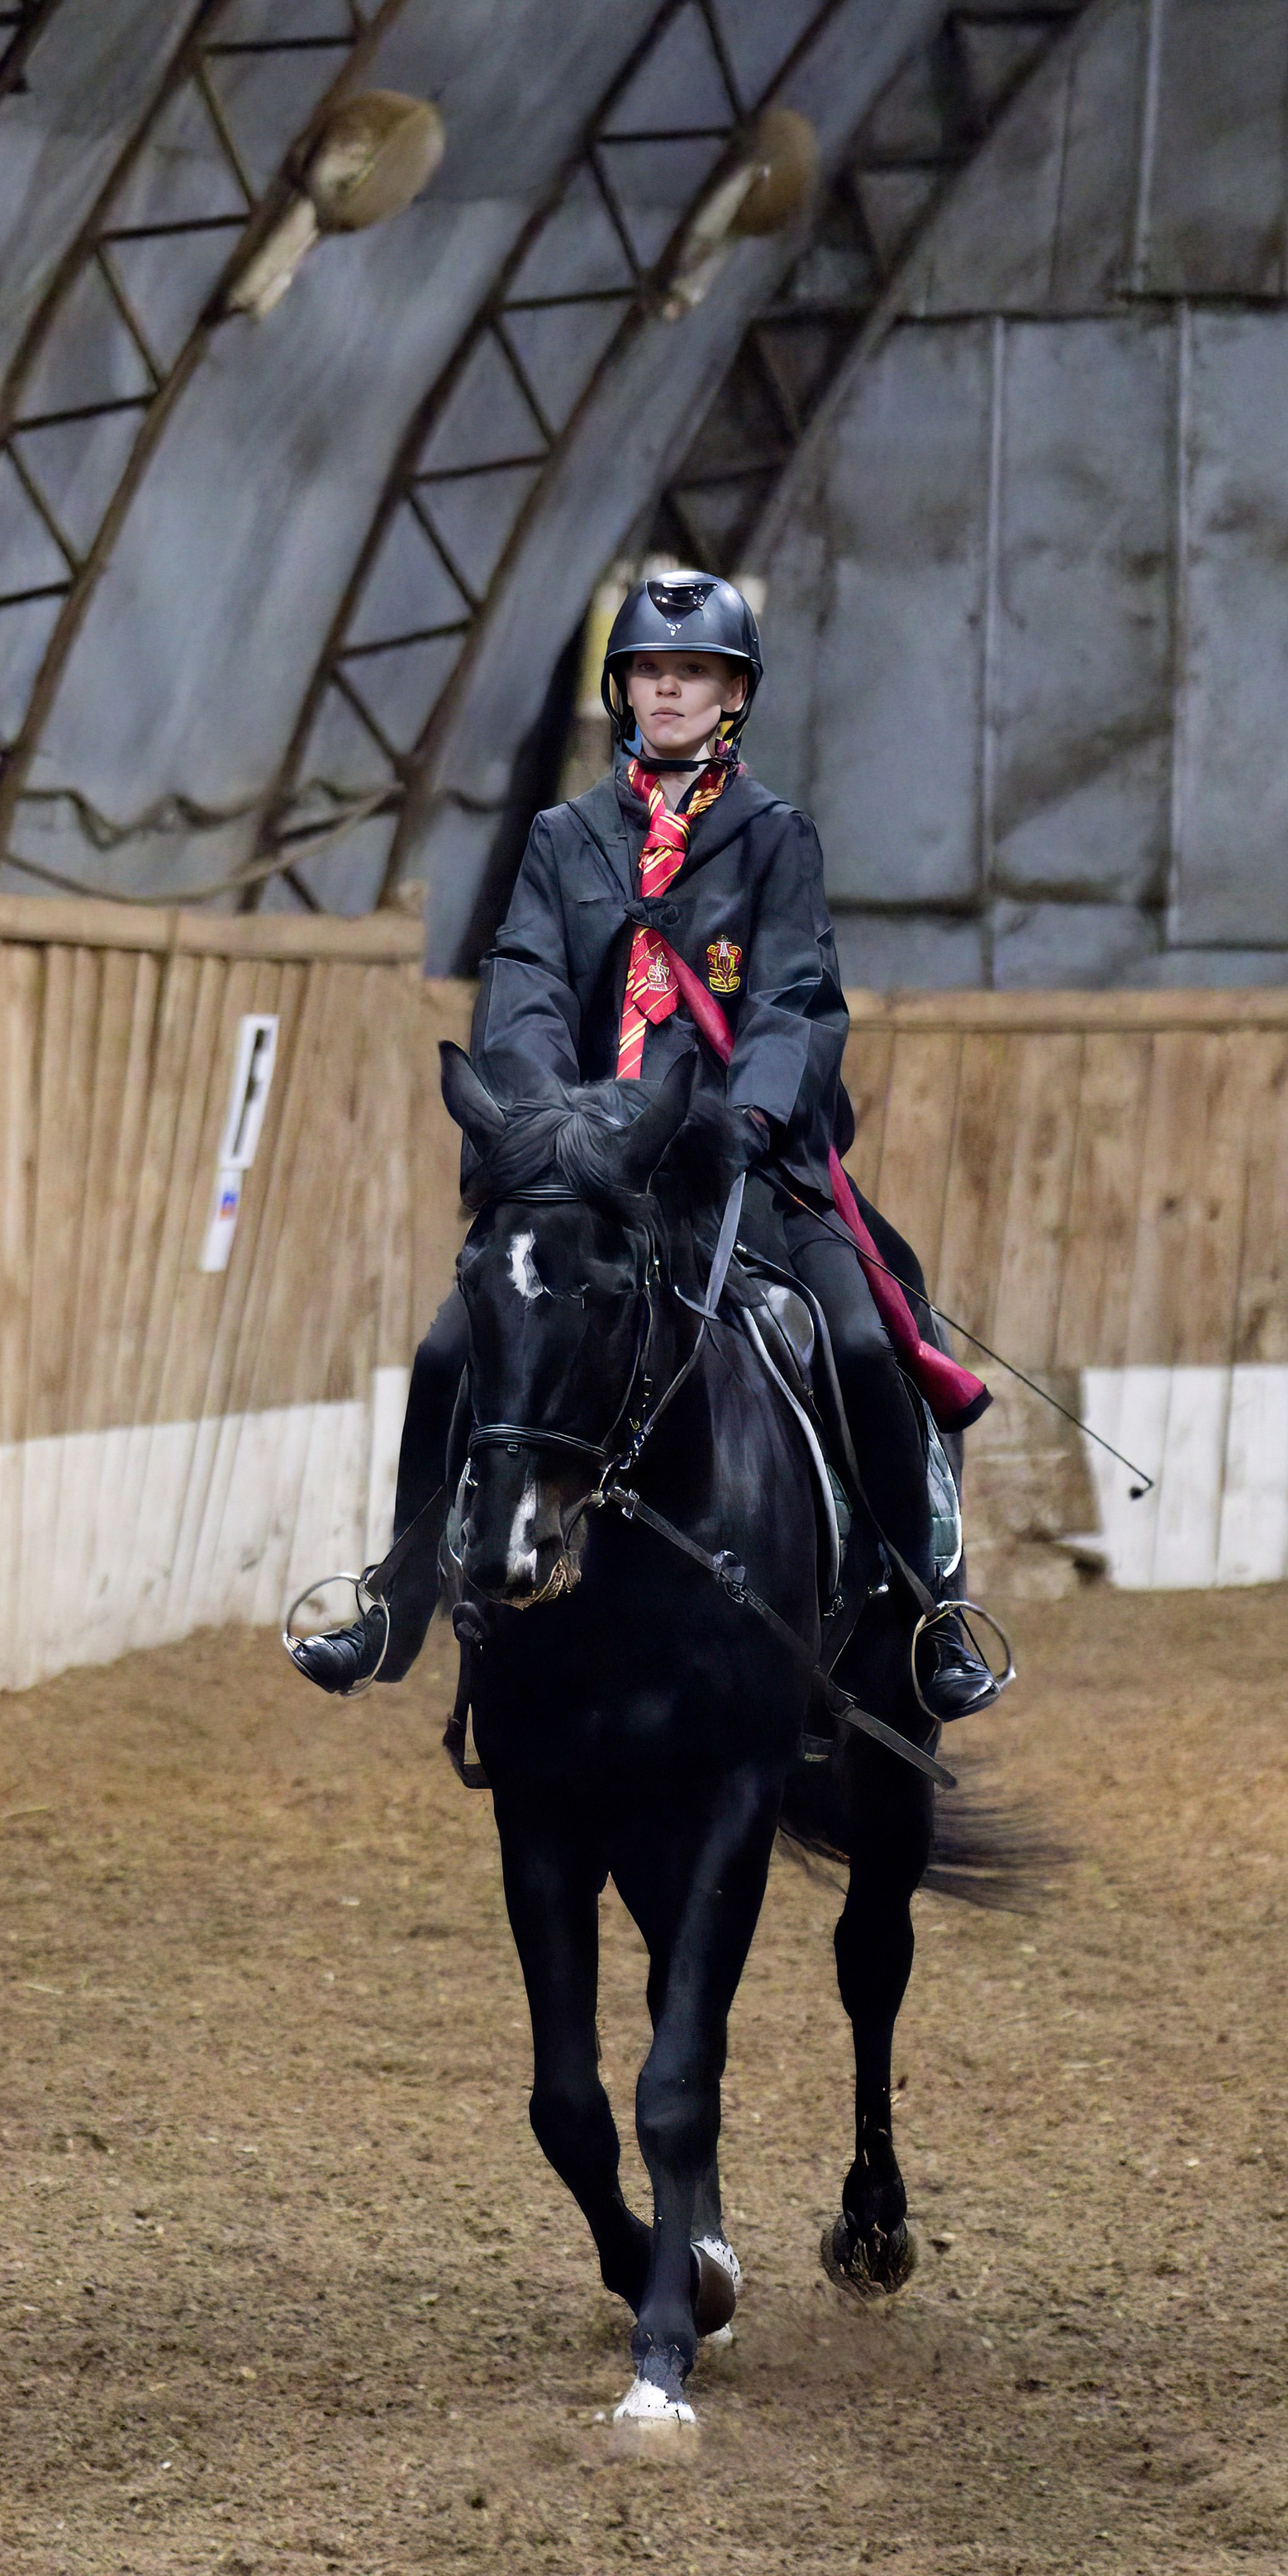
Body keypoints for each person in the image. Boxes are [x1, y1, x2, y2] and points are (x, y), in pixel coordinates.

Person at [292, 570, 999, 1721]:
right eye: (653, 672)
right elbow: (521, 986)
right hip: (592, 1176)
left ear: (733, 696)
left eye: (697, 674)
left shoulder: (775, 840)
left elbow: (797, 1002)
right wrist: (546, 1121)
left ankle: (924, 1608)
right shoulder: (563, 841)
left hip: (733, 1166)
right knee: (444, 1353)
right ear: (623, 689)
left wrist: (748, 1120)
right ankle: (396, 1603)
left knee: (869, 1344)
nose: (671, 691)